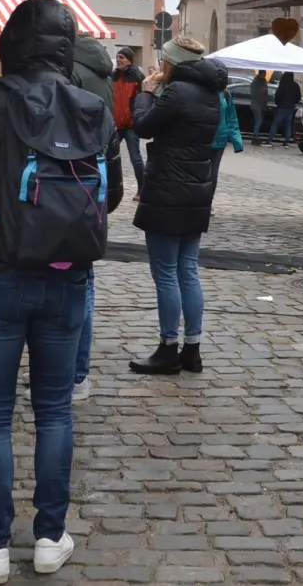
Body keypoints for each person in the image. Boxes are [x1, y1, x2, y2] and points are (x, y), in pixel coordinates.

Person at [0, 0, 118, 583]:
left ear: (9, 43)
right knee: (55, 410)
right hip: (66, 276)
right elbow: (108, 196)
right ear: (66, 47)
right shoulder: (93, 107)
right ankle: (51, 537)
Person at [128, 36, 227, 376]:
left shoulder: (176, 92)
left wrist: (144, 92)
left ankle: (169, 348)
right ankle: (193, 349)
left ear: (173, 63)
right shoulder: (212, 93)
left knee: (166, 273)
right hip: (197, 192)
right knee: (187, 270)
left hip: (168, 192)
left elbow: (142, 126)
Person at [69, 35, 126, 401]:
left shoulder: (69, 73)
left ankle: (72, 374)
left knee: (73, 283)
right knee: (83, 281)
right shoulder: (103, 75)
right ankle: (77, 375)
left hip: (65, 183)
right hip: (94, 185)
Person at [110, 47, 145, 195]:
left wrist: (137, 117)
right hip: (115, 124)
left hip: (131, 125)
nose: (119, 60)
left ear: (129, 60)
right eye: (118, 57)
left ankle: (142, 190)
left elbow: (143, 100)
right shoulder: (113, 76)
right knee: (109, 157)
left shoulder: (138, 76)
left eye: (122, 57)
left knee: (135, 159)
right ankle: (110, 187)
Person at [270, 72, 301, 147]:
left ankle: (270, 139)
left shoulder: (282, 85)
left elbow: (277, 95)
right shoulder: (295, 85)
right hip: (290, 107)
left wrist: (278, 103)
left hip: (281, 107)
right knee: (288, 125)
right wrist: (294, 102)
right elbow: (298, 97)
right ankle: (287, 141)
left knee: (275, 124)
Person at [248, 70, 270, 146]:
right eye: (263, 74)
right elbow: (253, 93)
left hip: (261, 105)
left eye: (265, 75)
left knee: (259, 121)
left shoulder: (263, 82)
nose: (264, 76)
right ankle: (255, 137)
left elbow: (266, 95)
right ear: (260, 74)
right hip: (256, 105)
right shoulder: (255, 82)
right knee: (258, 121)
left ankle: (256, 136)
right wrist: (262, 90)